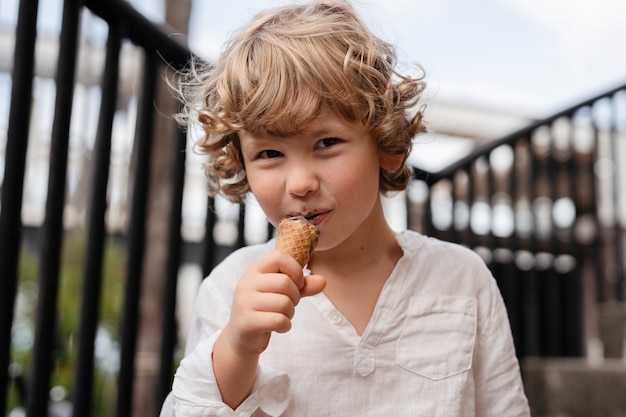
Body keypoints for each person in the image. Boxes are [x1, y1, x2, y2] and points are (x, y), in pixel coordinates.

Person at [161, 1, 531, 416]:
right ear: (242, 164)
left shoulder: (463, 280)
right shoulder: (230, 289)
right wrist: (236, 347)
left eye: (327, 143)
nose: (300, 183)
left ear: (386, 145)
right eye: (269, 152)